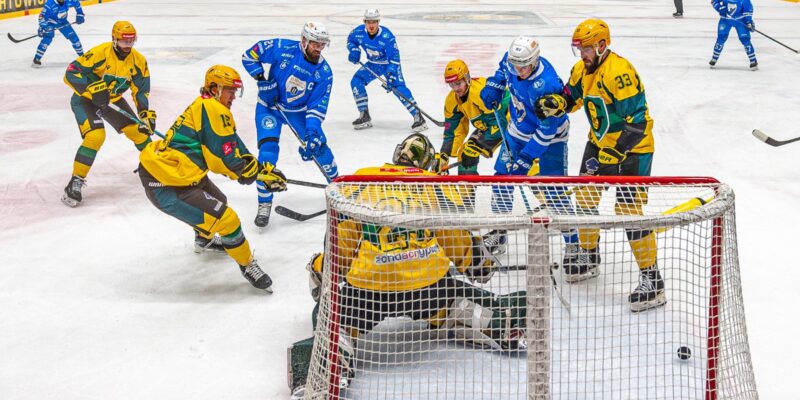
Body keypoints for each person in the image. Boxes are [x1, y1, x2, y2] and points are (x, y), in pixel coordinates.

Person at [286, 133, 526, 398]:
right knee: (456, 295)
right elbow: (455, 240)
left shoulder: (357, 181)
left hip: (368, 293)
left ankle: (324, 366)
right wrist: (479, 263)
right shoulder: (434, 184)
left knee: (329, 312)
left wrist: (319, 270)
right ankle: (502, 320)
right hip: (427, 290)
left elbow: (338, 257)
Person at [534, 19, 662, 312]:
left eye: (587, 48)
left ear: (603, 45)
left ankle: (652, 280)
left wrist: (617, 152)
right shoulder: (582, 69)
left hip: (633, 151)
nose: (582, 54)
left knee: (629, 214)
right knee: (585, 200)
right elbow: (572, 97)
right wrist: (558, 102)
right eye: (579, 49)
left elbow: (640, 122)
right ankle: (589, 255)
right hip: (598, 144)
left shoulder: (620, 73)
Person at [137, 65, 287, 292]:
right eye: (229, 90)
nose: (233, 96)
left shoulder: (208, 105)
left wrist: (260, 168)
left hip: (180, 175)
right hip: (167, 184)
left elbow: (233, 143)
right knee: (228, 220)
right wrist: (256, 174)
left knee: (219, 200)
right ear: (215, 88)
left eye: (235, 91)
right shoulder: (212, 108)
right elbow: (222, 159)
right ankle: (247, 265)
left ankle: (203, 239)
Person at [479, 36, 579, 266]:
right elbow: (501, 74)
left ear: (534, 61)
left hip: (552, 137)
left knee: (554, 190)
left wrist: (526, 157)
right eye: (515, 65)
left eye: (523, 66)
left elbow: (548, 128)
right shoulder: (512, 61)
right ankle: (500, 230)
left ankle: (573, 243)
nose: (518, 70)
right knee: (501, 181)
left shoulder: (547, 83)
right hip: (518, 130)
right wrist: (493, 88)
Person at [242, 21, 339, 229]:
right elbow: (248, 56)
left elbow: (316, 108)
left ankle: (339, 187)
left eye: (322, 44)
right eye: (315, 43)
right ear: (303, 40)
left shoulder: (324, 73)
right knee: (267, 153)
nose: (318, 48)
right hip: (269, 108)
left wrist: (312, 133)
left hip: (299, 113)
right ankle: (264, 203)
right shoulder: (281, 47)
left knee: (319, 147)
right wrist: (261, 80)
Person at [61, 21, 155, 207]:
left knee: (139, 130)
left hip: (112, 100)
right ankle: (75, 182)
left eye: (131, 41)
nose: (127, 45)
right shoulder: (100, 53)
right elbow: (71, 72)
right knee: (95, 136)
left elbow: (141, 91)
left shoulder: (138, 61)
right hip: (85, 100)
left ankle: (155, 167)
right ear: (114, 39)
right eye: (123, 41)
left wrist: (144, 114)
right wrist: (92, 89)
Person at [346, 8, 427, 132]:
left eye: (374, 22)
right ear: (364, 22)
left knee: (398, 88)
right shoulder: (358, 32)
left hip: (389, 64)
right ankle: (364, 115)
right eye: (368, 22)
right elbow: (351, 40)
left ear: (378, 22)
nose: (371, 25)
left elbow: (394, 57)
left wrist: (391, 74)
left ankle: (418, 116)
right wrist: (354, 50)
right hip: (373, 64)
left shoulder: (386, 36)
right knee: (356, 81)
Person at [437, 59, 509, 176]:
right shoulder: (451, 100)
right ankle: (467, 192)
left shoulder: (480, 93)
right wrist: (444, 154)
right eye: (451, 85)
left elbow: (500, 124)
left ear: (467, 78)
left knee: (519, 161)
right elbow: (453, 131)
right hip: (490, 125)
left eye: (458, 83)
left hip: (511, 120)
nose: (455, 89)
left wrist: (476, 147)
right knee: (464, 152)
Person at [33, 0, 85, 67]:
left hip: (63, 22)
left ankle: (82, 56)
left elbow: (77, 3)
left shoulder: (68, 1)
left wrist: (79, 14)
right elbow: (42, 17)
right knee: (48, 38)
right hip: (50, 23)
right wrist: (43, 27)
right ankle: (36, 59)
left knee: (73, 37)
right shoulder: (50, 4)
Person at [710, 0, 757, 70]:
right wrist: (719, 8)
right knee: (721, 37)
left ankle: (753, 60)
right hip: (725, 20)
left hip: (740, 21)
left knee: (745, 39)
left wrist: (748, 22)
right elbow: (714, 1)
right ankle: (714, 58)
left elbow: (748, 9)